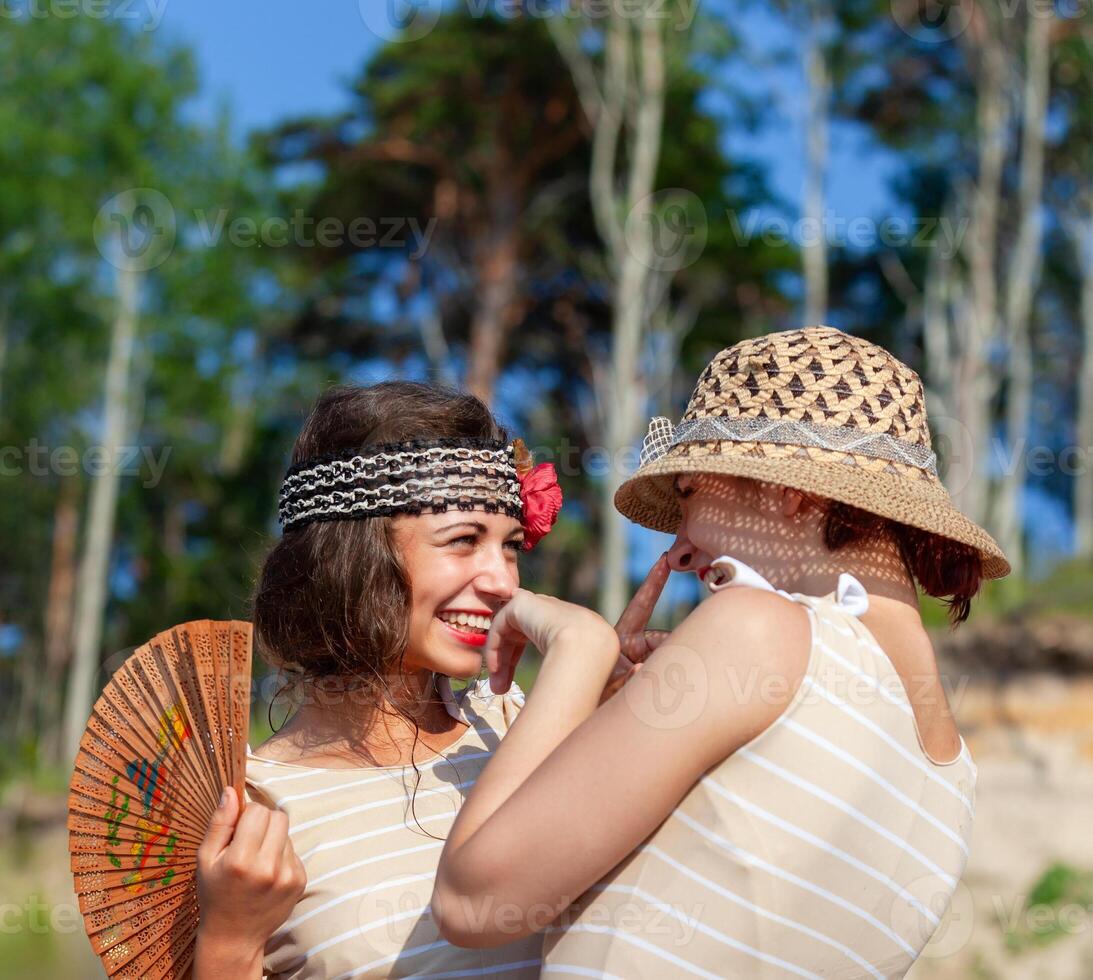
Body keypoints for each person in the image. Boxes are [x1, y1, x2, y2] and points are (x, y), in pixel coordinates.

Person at [432, 325, 1009, 978]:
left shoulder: (756, 631)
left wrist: (577, 650)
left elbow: (471, 902)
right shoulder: (953, 777)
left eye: (689, 496)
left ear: (794, 491)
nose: (677, 551)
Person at [192, 380, 568, 979]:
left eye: (512, 545)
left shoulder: (525, 729)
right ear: (356, 558)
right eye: (464, 540)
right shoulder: (245, 815)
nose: (502, 581)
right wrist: (230, 942)